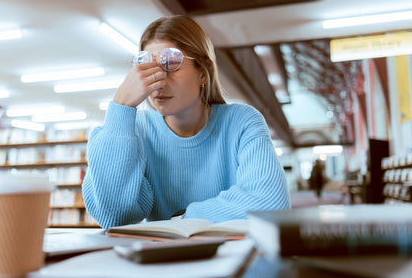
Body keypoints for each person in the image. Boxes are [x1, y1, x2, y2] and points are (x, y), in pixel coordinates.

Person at [82, 15, 290, 229]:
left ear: (203, 71)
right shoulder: (135, 132)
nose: (158, 83)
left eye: (171, 65)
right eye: (146, 68)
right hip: (161, 259)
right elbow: (113, 217)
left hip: (231, 257)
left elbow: (270, 205)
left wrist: (183, 220)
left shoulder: (242, 122)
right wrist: (121, 107)